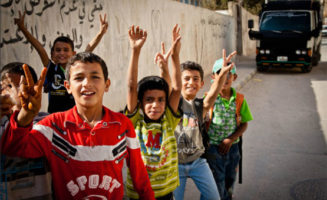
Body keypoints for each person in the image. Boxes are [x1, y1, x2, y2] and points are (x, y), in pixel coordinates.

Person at [1, 52, 155, 199]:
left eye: (95, 77)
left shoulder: (122, 124)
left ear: (106, 84)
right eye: (79, 78)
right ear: (67, 86)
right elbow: (14, 147)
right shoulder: (52, 126)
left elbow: (140, 178)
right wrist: (25, 116)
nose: (87, 83)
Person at [124, 25, 182, 200]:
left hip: (165, 193)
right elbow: (132, 87)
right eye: (149, 100)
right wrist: (135, 51)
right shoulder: (134, 123)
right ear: (140, 104)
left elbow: (177, 89)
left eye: (160, 100)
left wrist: (175, 57)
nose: (155, 105)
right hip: (138, 194)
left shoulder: (168, 120)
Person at [172, 49, 236, 200]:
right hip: (175, 164)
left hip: (198, 162)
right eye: (186, 78)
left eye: (195, 79)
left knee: (214, 197)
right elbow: (173, 85)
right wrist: (174, 54)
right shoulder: (172, 105)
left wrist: (222, 74)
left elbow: (214, 92)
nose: (191, 82)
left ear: (201, 84)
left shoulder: (201, 106)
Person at [14, 11, 108, 113]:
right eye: (58, 50)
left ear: (73, 53)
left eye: (66, 50)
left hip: (74, 117)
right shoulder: (51, 68)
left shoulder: (76, 68)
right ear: (52, 54)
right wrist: (22, 28)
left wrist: (101, 33)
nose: (62, 53)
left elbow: (89, 48)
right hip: (54, 117)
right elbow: (39, 49)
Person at [0, 62, 52, 199]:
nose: (17, 91)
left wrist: (26, 116)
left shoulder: (47, 122)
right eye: (7, 86)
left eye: (19, 85)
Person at [206, 58, 253, 200]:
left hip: (233, 149)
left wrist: (230, 139)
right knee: (217, 181)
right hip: (213, 149)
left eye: (228, 74)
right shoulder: (208, 99)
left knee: (229, 180)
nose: (224, 78)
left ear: (235, 77)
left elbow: (244, 123)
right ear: (213, 77)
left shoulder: (239, 99)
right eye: (220, 74)